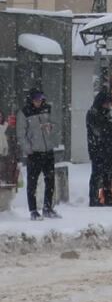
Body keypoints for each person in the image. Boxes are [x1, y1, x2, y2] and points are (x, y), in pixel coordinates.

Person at [19, 89, 57, 220]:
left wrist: (50, 126)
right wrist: (28, 149)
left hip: (48, 151)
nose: (39, 102)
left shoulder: (47, 109)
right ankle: (33, 211)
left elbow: (54, 123)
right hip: (34, 152)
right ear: (31, 100)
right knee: (32, 182)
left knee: (50, 180)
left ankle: (48, 208)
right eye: (36, 100)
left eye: (40, 99)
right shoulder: (24, 113)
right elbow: (21, 134)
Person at [86, 90, 112, 207]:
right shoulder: (93, 113)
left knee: (107, 174)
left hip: (107, 148)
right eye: (106, 103)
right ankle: (93, 198)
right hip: (97, 148)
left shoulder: (106, 113)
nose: (108, 106)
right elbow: (98, 132)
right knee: (97, 174)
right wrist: (108, 131)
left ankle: (108, 196)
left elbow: (109, 128)